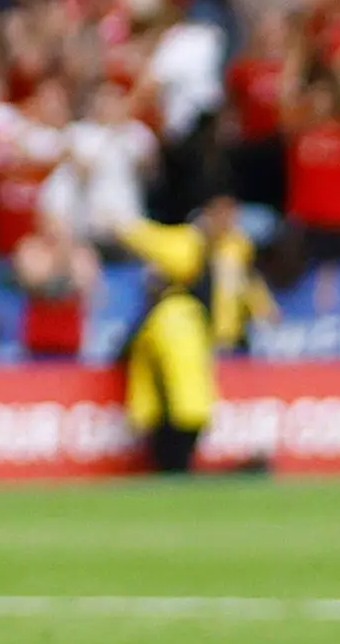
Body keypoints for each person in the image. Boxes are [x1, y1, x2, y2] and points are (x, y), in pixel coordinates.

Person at [116, 195, 271, 475]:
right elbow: (144, 238)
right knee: (182, 399)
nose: (228, 222)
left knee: (190, 398)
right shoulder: (186, 243)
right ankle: (174, 462)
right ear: (208, 214)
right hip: (179, 324)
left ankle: (179, 463)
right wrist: (119, 222)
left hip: (207, 332)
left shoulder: (236, 247)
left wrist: (262, 307)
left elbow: (245, 283)